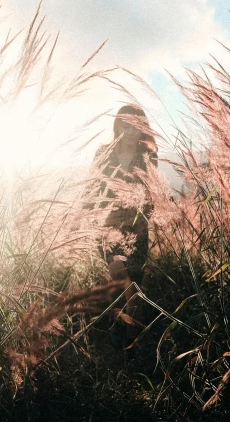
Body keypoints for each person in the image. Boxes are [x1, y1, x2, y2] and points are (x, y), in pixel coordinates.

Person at [89, 105, 157, 344]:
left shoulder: (148, 155)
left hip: (137, 225)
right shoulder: (103, 152)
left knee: (134, 282)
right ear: (117, 126)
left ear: (142, 130)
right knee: (119, 277)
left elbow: (152, 193)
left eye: (135, 127)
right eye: (125, 126)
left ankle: (133, 339)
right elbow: (92, 187)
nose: (129, 132)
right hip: (108, 224)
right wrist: (88, 215)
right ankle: (120, 332)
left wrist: (141, 217)